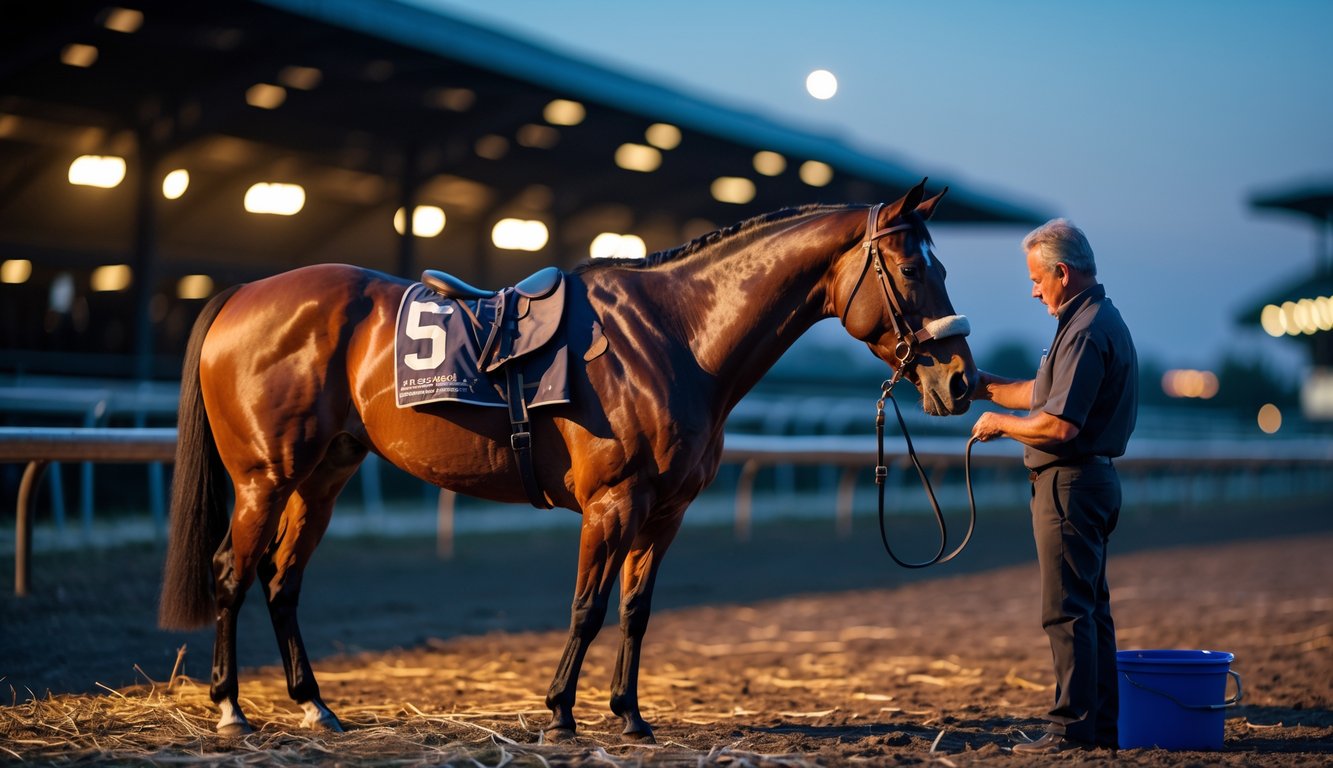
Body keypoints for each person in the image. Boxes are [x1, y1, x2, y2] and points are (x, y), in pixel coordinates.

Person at [970, 218, 1138, 753]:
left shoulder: (1084, 330)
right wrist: (983, 388)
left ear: (1062, 273)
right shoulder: (1091, 321)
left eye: (1038, 278)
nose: (1033, 289)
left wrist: (998, 423)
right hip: (1090, 483)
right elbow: (1042, 394)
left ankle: (1070, 732)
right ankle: (1100, 730)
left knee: (1065, 610)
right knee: (1090, 609)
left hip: (1070, 486)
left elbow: (1058, 425)